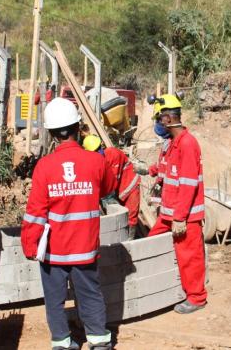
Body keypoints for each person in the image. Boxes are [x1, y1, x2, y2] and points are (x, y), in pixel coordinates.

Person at [21, 98, 117, 350]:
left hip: (54, 251)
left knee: (54, 299)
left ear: (52, 133)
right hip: (85, 247)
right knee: (90, 294)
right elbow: (108, 189)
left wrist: (30, 245)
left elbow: (35, 212)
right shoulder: (96, 162)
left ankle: (62, 342)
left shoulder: (44, 166)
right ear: (78, 128)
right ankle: (98, 340)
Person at [147, 94, 207, 314]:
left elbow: (189, 184)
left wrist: (180, 217)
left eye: (158, 119)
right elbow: (167, 169)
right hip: (169, 212)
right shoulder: (173, 143)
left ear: (168, 119)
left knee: (189, 256)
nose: (157, 124)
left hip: (184, 216)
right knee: (150, 244)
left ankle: (196, 297)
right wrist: (150, 170)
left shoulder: (188, 144)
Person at [82, 134, 141, 239]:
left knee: (131, 214)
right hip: (117, 188)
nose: (98, 152)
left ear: (101, 146)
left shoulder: (113, 154)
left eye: (98, 149)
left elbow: (112, 182)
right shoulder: (93, 162)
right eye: (94, 151)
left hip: (129, 184)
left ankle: (130, 239)